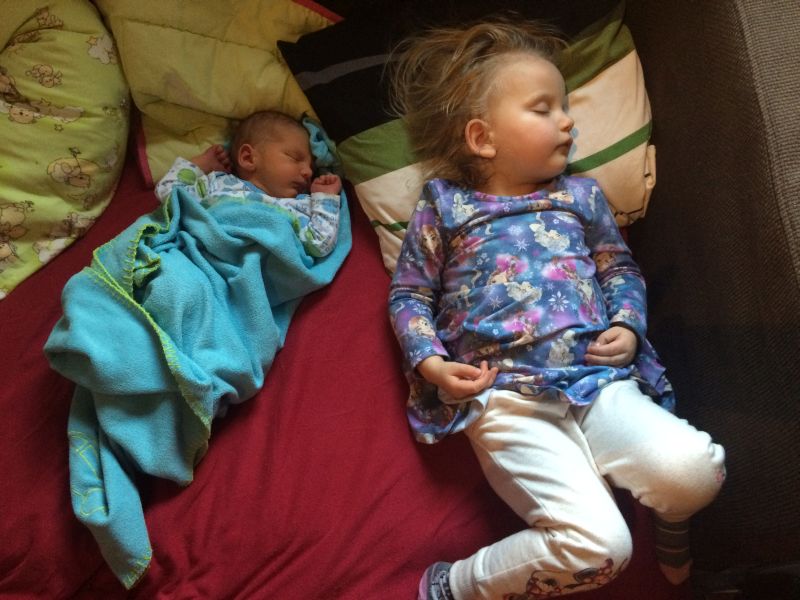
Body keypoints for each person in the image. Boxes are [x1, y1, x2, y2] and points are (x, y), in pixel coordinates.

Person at [387, 19, 726, 600]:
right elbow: (410, 294)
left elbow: (618, 268)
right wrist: (431, 363)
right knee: (602, 551)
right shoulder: (445, 205)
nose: (568, 121)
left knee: (696, 472)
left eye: (566, 106)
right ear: (482, 138)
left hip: (599, 381)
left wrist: (627, 325)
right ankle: (456, 585)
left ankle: (671, 512)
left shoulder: (581, 195)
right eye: (543, 109)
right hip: (506, 397)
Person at [155, 110, 342, 258]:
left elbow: (318, 244)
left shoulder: (298, 207)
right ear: (248, 158)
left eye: (311, 168)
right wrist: (201, 165)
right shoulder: (218, 183)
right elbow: (169, 194)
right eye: (295, 157)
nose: (308, 172)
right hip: (198, 257)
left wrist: (326, 199)